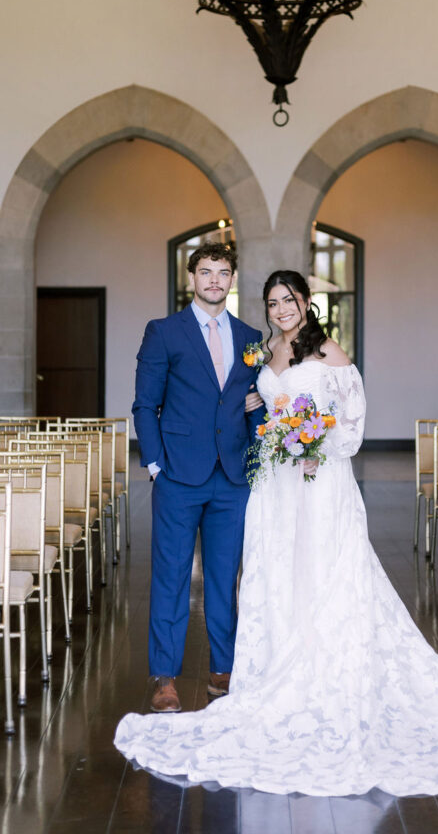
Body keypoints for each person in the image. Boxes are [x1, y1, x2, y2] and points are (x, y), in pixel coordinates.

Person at [116, 269, 438, 796]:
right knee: (266, 574)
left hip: (314, 480)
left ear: (306, 302)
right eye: (273, 302)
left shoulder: (325, 350)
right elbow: (236, 405)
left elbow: (351, 418)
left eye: (288, 300)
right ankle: (224, 672)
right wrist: (250, 422)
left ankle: (288, 673)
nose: (280, 309)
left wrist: (315, 448)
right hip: (268, 485)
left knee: (307, 570)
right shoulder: (260, 352)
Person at [131, 242, 264, 714]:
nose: (213, 280)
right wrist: (155, 465)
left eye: (222, 272)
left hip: (231, 477)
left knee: (225, 579)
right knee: (170, 577)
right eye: (205, 271)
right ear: (192, 278)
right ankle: (164, 677)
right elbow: (145, 404)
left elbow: (257, 399)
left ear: (232, 279)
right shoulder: (164, 332)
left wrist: (257, 427)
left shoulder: (250, 336)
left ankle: (223, 669)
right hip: (177, 476)